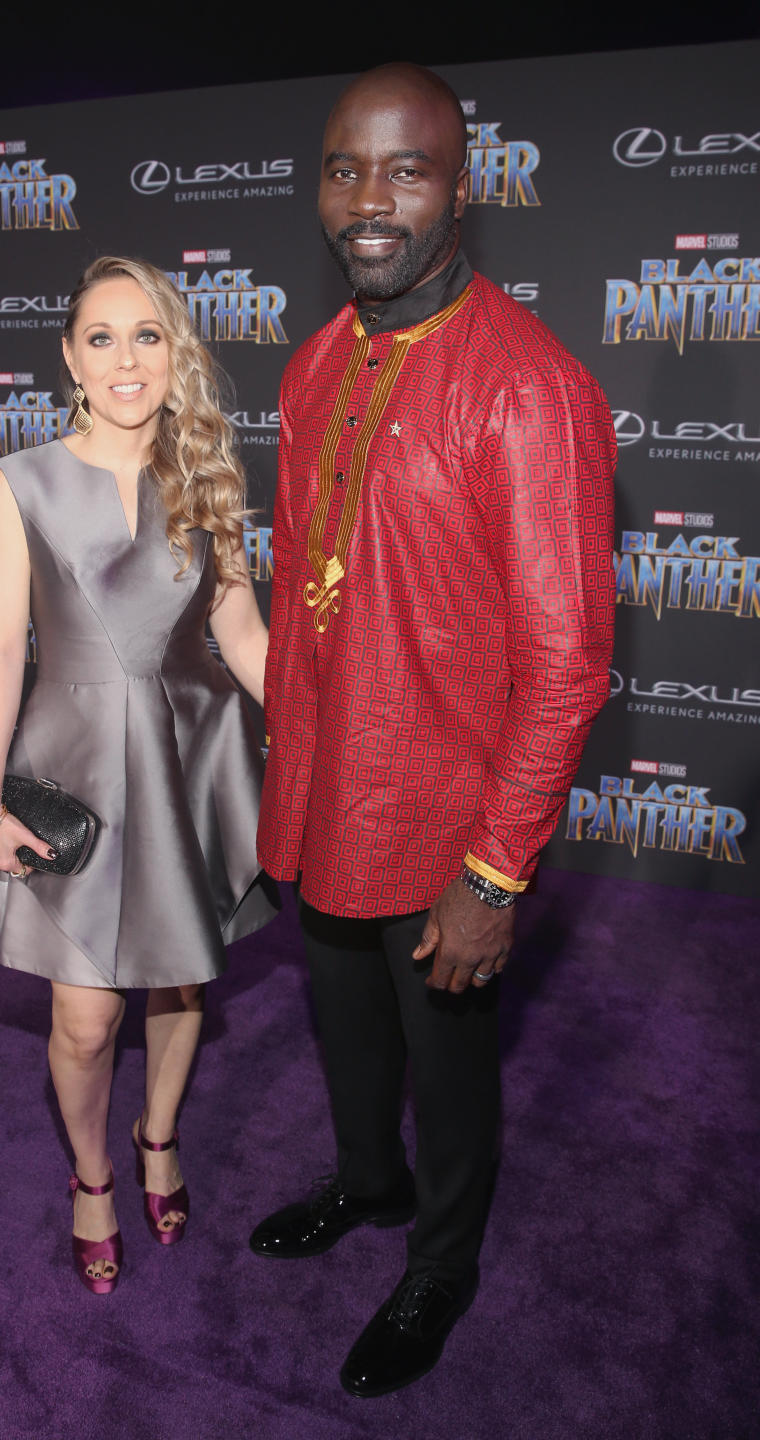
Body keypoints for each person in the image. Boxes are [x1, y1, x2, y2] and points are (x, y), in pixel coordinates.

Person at [251, 64, 616, 1396]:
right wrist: (280, 796)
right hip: (327, 799)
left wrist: (494, 872)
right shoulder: (312, 360)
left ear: (462, 187)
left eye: (405, 170)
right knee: (346, 1031)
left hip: (450, 829)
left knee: (450, 1070)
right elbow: (301, 600)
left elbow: (569, 667)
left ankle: (443, 1264)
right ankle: (368, 1183)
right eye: (348, 167)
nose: (370, 198)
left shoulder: (533, 390)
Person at [0, 255, 276, 1294]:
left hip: (191, 754)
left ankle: (159, 1136)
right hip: (78, 762)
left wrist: (336, 743)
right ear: (69, 356)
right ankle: (91, 1175)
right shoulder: (22, 482)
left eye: (147, 334)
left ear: (174, 350)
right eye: (101, 337)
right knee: (85, 1016)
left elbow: (241, 631)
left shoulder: (208, 477)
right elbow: (4, 651)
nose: (126, 358)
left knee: (181, 977)